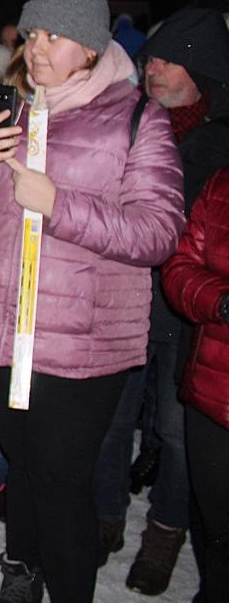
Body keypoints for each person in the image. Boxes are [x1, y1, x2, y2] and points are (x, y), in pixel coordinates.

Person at [0, 0, 185, 603]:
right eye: (33, 34)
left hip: (81, 342)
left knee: (62, 482)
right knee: (22, 467)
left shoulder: (136, 119)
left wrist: (59, 205)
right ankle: (20, 574)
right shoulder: (1, 107)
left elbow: (158, 232)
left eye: (56, 36)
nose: (38, 49)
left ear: (92, 47)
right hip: (0, 330)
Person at [93, 4, 229, 592]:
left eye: (170, 62)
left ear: (203, 71)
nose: (154, 71)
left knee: (177, 433)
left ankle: (165, 533)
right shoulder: (129, 120)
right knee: (112, 418)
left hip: (192, 314)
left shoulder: (220, 141)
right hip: (126, 294)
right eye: (152, 59)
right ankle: (104, 516)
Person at [161, 166, 229, 603]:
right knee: (215, 527)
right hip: (213, 388)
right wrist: (221, 300)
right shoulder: (222, 186)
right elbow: (180, 266)